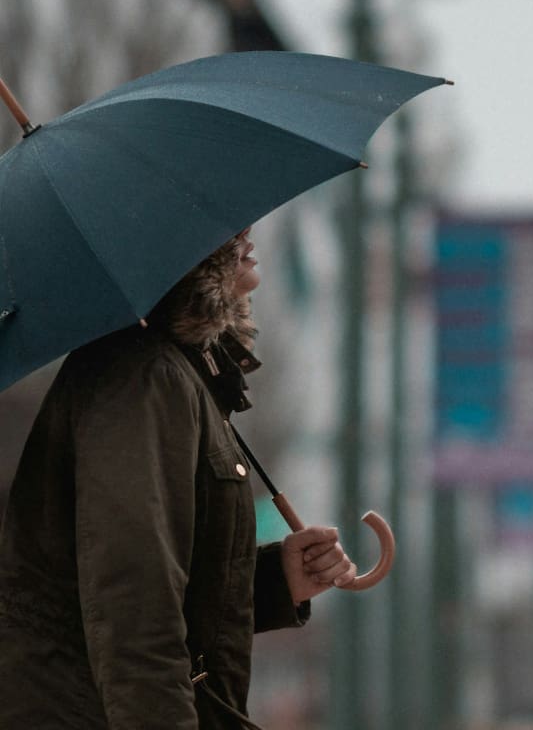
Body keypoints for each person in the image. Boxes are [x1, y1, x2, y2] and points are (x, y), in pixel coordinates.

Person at [0, 228, 354, 729]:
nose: (247, 233)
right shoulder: (142, 378)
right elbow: (133, 608)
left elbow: (158, 585)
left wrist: (277, 581)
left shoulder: (178, 373)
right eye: (225, 229)